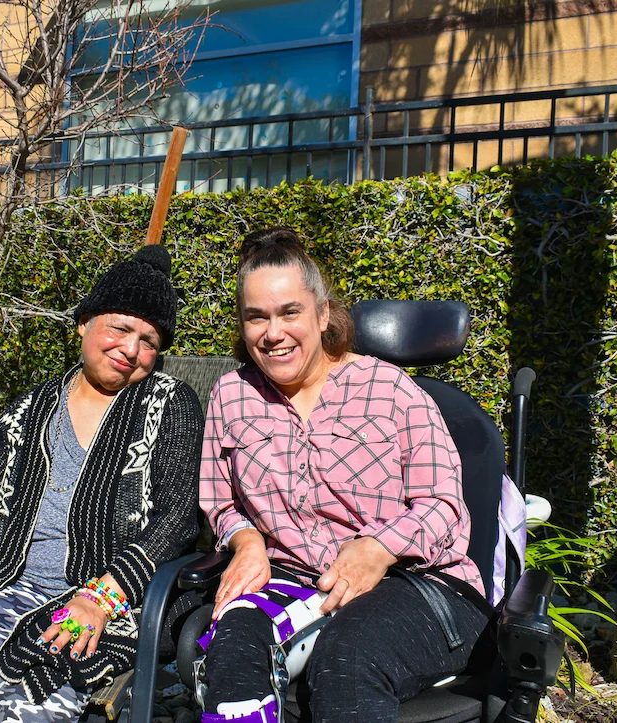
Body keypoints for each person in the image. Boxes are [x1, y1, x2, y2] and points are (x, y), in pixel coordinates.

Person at [0, 245, 205, 723]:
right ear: (84, 323)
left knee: (28, 707)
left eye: (149, 341)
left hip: (105, 605)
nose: (131, 349)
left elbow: (179, 514)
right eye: (120, 328)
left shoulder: (171, 404)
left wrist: (105, 595)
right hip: (3, 586)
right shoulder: (31, 407)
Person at [197, 228, 489, 723]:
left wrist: (378, 548)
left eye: (290, 312)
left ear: (323, 313)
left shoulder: (392, 390)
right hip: (295, 585)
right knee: (232, 647)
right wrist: (245, 541)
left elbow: (444, 506)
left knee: (348, 652)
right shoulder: (232, 396)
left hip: (416, 583)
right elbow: (221, 502)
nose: (273, 333)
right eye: (257, 317)